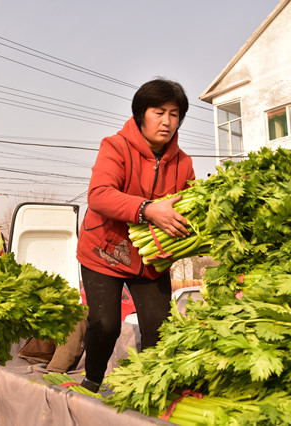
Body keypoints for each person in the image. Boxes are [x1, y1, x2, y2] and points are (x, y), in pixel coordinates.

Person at [75, 78, 196, 392]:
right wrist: (147, 210)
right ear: (142, 114)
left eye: (174, 114)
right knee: (106, 326)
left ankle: (149, 388)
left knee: (159, 329)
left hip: (152, 261)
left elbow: (192, 206)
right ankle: (92, 381)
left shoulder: (183, 163)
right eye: (159, 112)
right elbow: (99, 195)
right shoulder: (115, 146)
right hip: (106, 252)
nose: (167, 121)